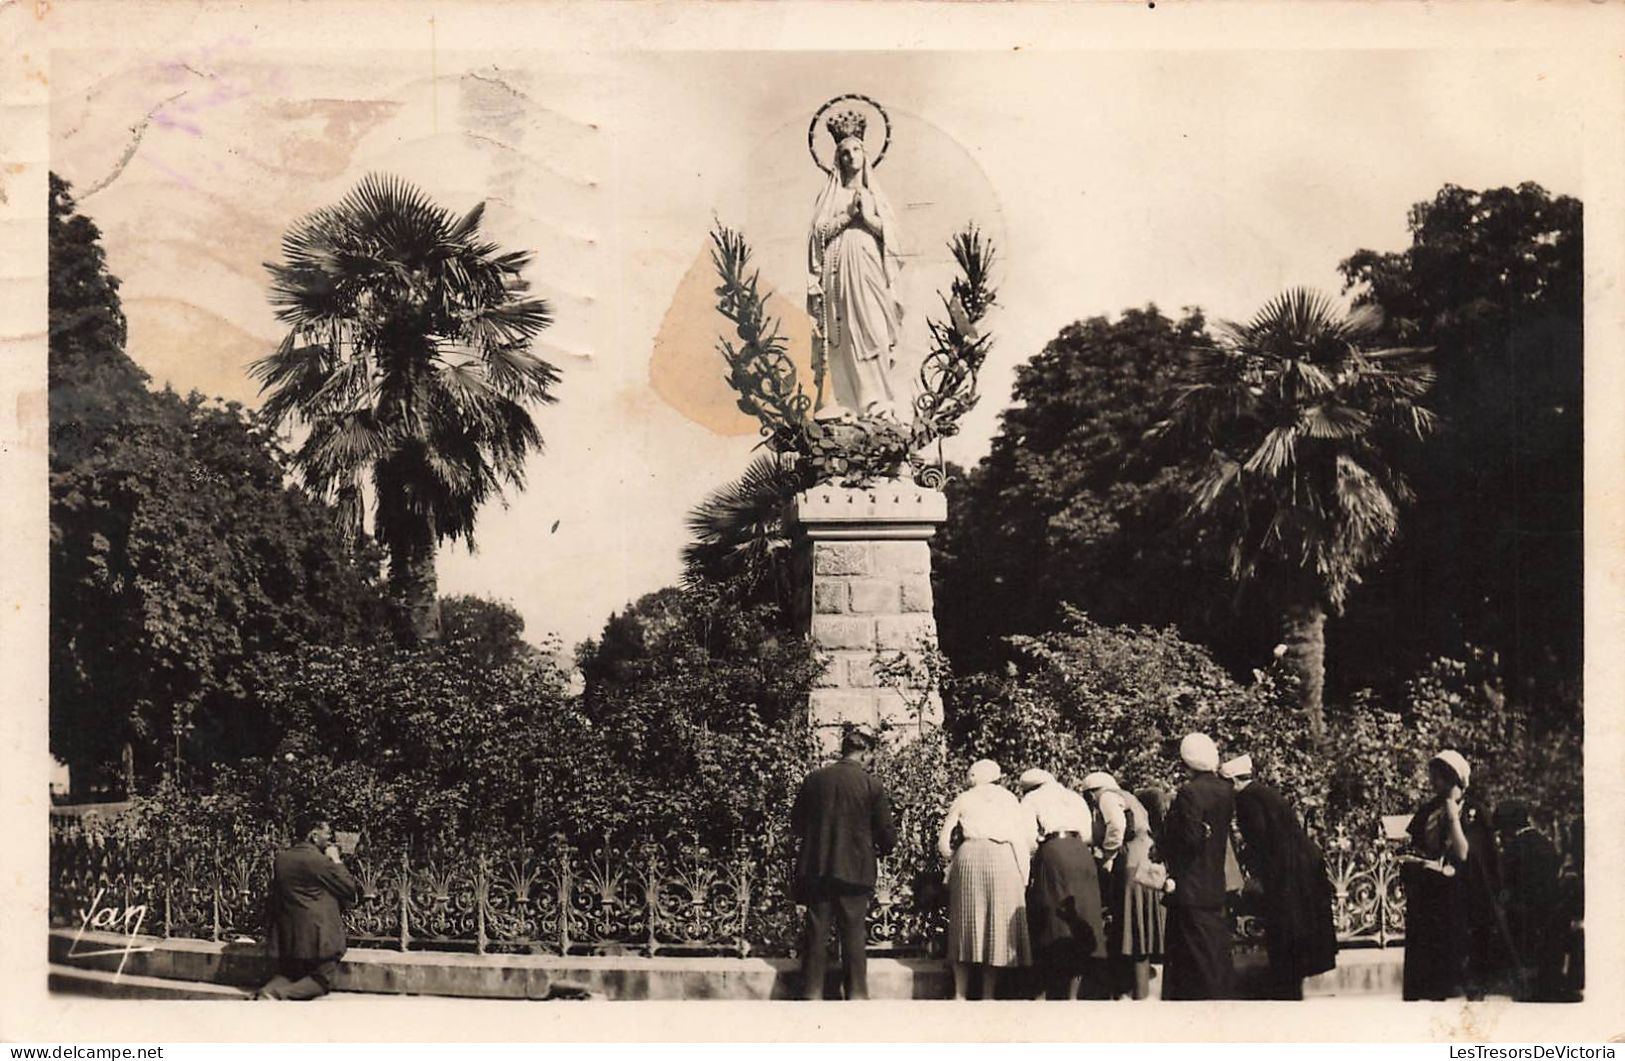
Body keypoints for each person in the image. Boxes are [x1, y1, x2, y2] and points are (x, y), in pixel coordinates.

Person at [807, 108, 906, 421]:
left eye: (855, 150)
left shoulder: (875, 195)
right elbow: (817, 235)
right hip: (837, 269)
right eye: (844, 152)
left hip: (867, 267)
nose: (850, 156)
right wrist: (848, 215)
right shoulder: (830, 196)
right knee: (844, 330)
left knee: (872, 328)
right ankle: (848, 402)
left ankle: (878, 404)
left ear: (864, 154)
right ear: (837, 159)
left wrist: (866, 217)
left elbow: (893, 239)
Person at [790, 727, 897, 1000]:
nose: (872, 761)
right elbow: (886, 831)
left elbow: (797, 824)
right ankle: (857, 994)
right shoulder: (871, 784)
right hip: (855, 869)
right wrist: (885, 848)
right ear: (864, 753)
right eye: (871, 755)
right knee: (853, 934)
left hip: (817, 867)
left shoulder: (814, 780)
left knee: (816, 932)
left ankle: (811, 993)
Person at [1221, 754, 1337, 1000]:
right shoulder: (1263, 793)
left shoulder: (1247, 799)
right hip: (1299, 866)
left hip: (1285, 871)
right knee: (1297, 930)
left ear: (1232, 781)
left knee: (1286, 929)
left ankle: (1285, 989)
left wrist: (1257, 877)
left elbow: (1260, 840)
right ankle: (1290, 985)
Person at [1400, 749, 1502, 1001]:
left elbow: (1465, 853)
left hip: (1464, 895)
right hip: (1432, 894)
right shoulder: (1428, 811)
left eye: (1438, 777)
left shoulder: (1475, 812)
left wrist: (1453, 816)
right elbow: (1418, 846)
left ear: (1454, 778)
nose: (1433, 782)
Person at [938, 759, 1035, 999]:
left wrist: (952, 858)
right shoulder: (1010, 799)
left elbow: (944, 839)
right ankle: (988, 994)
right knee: (996, 924)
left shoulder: (964, 798)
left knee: (965, 923)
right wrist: (1024, 875)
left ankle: (960, 994)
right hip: (1002, 859)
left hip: (969, 856)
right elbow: (1019, 840)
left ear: (976, 776)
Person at [1159, 732, 1236, 1000]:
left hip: (1191, 883)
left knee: (1194, 954)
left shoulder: (1189, 793)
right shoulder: (1224, 790)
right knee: (1213, 948)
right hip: (1214, 880)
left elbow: (1189, 839)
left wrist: (1167, 840)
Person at [1018, 768, 1106, 1000]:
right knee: (1080, 915)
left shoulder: (1031, 799)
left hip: (1054, 851)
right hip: (1080, 851)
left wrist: (1039, 849)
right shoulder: (1075, 797)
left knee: (1050, 916)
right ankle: (1073, 994)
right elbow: (1088, 834)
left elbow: (1027, 839)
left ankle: (1044, 989)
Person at [256, 811, 359, 1000]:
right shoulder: (319, 861)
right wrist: (336, 860)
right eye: (327, 834)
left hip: (291, 938)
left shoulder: (282, 859)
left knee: (290, 975)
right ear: (314, 835)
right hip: (319, 939)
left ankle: (265, 993)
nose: (330, 839)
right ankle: (278, 995)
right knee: (321, 980)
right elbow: (349, 888)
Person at [1493, 800, 1568, 1001]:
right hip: (1550, 911)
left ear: (1508, 827)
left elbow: (1506, 884)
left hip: (1524, 914)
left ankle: (1522, 981)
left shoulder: (1513, 848)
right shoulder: (1546, 842)